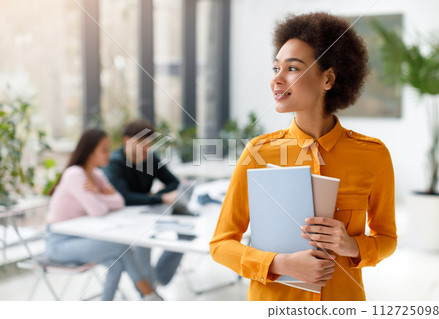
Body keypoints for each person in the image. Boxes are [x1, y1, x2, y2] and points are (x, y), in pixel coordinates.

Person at [209, 12, 397, 301]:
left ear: (328, 78)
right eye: (275, 68)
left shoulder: (373, 155)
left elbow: (387, 239)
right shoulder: (258, 152)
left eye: (293, 69)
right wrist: (281, 264)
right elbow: (221, 244)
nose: (277, 80)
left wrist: (352, 246)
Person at [46, 128, 161, 301]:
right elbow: (97, 210)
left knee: (116, 264)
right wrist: (102, 196)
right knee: (121, 247)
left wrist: (97, 195)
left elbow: (119, 201)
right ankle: (149, 295)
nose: (109, 153)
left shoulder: (96, 174)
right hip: (59, 244)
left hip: (83, 237)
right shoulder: (75, 174)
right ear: (90, 151)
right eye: (104, 149)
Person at [103, 119, 183, 289]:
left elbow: (173, 182)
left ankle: (158, 278)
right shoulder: (115, 162)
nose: (147, 148)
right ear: (127, 141)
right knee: (143, 245)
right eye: (142, 143)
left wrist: (155, 196)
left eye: (150, 144)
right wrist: (158, 198)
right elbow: (124, 198)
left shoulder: (150, 158)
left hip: (149, 211)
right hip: (125, 218)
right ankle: (147, 291)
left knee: (183, 235)